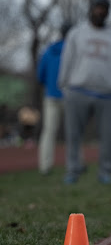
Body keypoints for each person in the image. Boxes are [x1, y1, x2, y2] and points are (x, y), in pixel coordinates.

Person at [58, 0, 111, 184]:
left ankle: (106, 172)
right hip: (78, 91)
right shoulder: (76, 33)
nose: (100, 11)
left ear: (108, 12)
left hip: (109, 95)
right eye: (98, 7)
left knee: (108, 137)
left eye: (104, 8)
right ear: (91, 9)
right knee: (73, 135)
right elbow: (67, 59)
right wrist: (63, 84)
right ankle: (73, 170)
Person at [36, 22, 71, 175]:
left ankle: (45, 166)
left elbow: (40, 75)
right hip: (69, 95)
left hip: (50, 95)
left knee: (49, 132)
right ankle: (74, 163)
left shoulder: (49, 50)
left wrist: (51, 85)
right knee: (73, 131)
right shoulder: (73, 50)